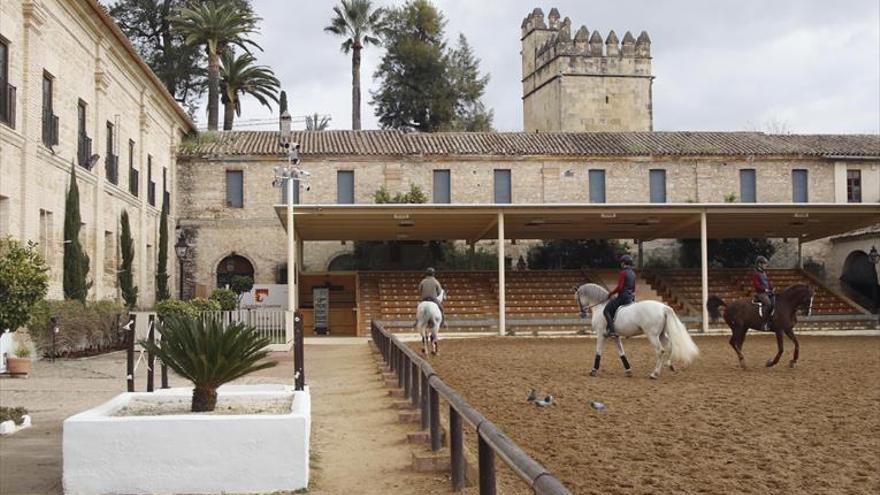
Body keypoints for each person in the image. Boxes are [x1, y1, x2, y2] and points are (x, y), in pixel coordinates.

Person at [603, 254, 636, 337]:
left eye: (621, 262)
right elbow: (633, 288)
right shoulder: (633, 273)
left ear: (623, 263)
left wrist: (611, 293)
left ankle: (612, 330)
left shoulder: (623, 273)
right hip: (630, 297)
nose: (621, 264)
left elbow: (620, 287)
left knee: (606, 310)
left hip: (623, 297)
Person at [750, 255, 774, 330]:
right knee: (768, 303)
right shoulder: (755, 273)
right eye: (764, 264)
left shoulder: (764, 272)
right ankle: (764, 323)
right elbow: (756, 285)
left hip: (767, 292)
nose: (766, 265)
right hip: (761, 293)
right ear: (759, 264)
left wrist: (771, 288)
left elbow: (767, 282)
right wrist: (765, 289)